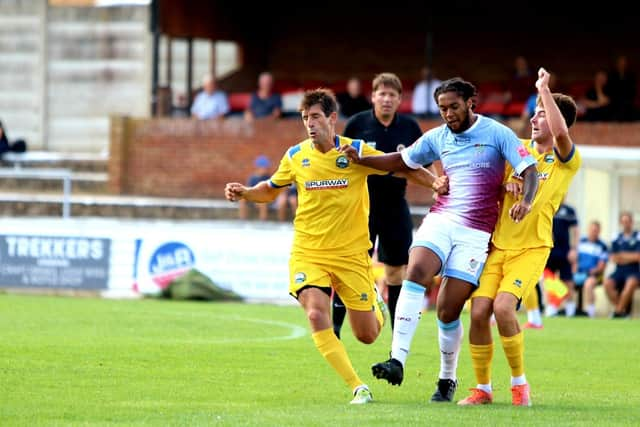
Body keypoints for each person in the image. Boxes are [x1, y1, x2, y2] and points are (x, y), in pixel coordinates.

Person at [225, 88, 442, 404]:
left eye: (315, 117)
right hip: (308, 251)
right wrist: (246, 192)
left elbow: (401, 167)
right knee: (316, 314)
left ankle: (377, 303)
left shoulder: (355, 151)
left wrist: (435, 183)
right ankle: (358, 387)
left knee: (367, 335)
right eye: (304, 118)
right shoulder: (296, 156)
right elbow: (270, 189)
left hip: (351, 255)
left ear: (331, 118)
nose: (310, 124)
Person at [340, 77, 538, 402]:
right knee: (415, 271)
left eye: (454, 107)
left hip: (476, 232)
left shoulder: (497, 133)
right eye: (442, 108)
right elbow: (400, 161)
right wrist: (362, 160)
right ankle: (397, 359)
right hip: (441, 219)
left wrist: (526, 201)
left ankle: (447, 379)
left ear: (471, 102)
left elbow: (529, 169)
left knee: (448, 310)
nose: (448, 114)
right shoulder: (437, 136)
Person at [458, 67, 581, 407]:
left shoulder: (564, 159)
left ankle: (519, 385)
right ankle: (482, 388)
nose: (534, 119)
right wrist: (505, 184)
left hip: (531, 248)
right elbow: (489, 183)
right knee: (479, 310)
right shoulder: (517, 150)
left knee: (503, 307)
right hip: (498, 246)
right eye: (535, 114)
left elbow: (558, 132)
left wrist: (544, 89)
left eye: (541, 114)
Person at [332, 72, 425, 339]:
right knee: (352, 262)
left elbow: (423, 164)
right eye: (381, 94)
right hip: (362, 206)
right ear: (373, 97)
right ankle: (336, 327)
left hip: (396, 206)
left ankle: (397, 338)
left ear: (399, 100)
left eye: (392, 95)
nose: (386, 99)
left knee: (396, 270)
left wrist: (436, 184)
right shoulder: (357, 125)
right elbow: (342, 164)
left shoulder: (409, 128)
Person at [545, 200, 581, 317]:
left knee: (568, 280)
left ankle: (570, 307)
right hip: (549, 250)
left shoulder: (569, 210)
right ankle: (552, 305)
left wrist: (574, 249)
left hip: (565, 251)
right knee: (549, 279)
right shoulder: (547, 206)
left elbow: (575, 231)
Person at [604, 211, 640, 318]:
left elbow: (638, 257)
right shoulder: (616, 237)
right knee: (607, 283)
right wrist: (630, 256)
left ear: (632, 222)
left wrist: (621, 255)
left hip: (633, 270)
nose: (626, 224)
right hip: (619, 271)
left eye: (628, 221)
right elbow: (613, 258)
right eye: (623, 221)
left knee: (630, 285)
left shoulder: (637, 236)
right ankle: (622, 312)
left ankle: (618, 312)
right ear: (620, 222)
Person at [576, 220, 609, 318]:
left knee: (588, 284)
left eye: (596, 230)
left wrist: (591, 272)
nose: (593, 232)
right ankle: (569, 310)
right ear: (588, 230)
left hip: (594, 275)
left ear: (599, 231)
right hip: (578, 273)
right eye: (592, 230)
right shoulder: (581, 242)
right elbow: (575, 259)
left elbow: (601, 266)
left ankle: (590, 312)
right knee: (566, 282)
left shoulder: (602, 246)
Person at [238, 155, 272, 221]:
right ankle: (242, 219)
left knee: (262, 204)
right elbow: (248, 188)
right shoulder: (253, 178)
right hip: (254, 197)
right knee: (242, 200)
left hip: (264, 198)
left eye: (266, 168)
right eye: (264, 168)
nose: (266, 170)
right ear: (259, 168)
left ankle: (263, 220)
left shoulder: (268, 178)